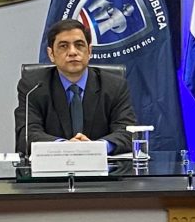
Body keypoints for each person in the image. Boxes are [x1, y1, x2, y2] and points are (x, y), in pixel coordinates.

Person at [14, 19, 136, 155]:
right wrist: (65, 147)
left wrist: (97, 147)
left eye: (79, 45)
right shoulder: (33, 87)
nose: (72, 52)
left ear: (89, 51)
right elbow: (26, 134)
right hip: (52, 166)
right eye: (63, 46)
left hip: (103, 166)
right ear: (51, 54)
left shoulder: (114, 85)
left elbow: (127, 131)